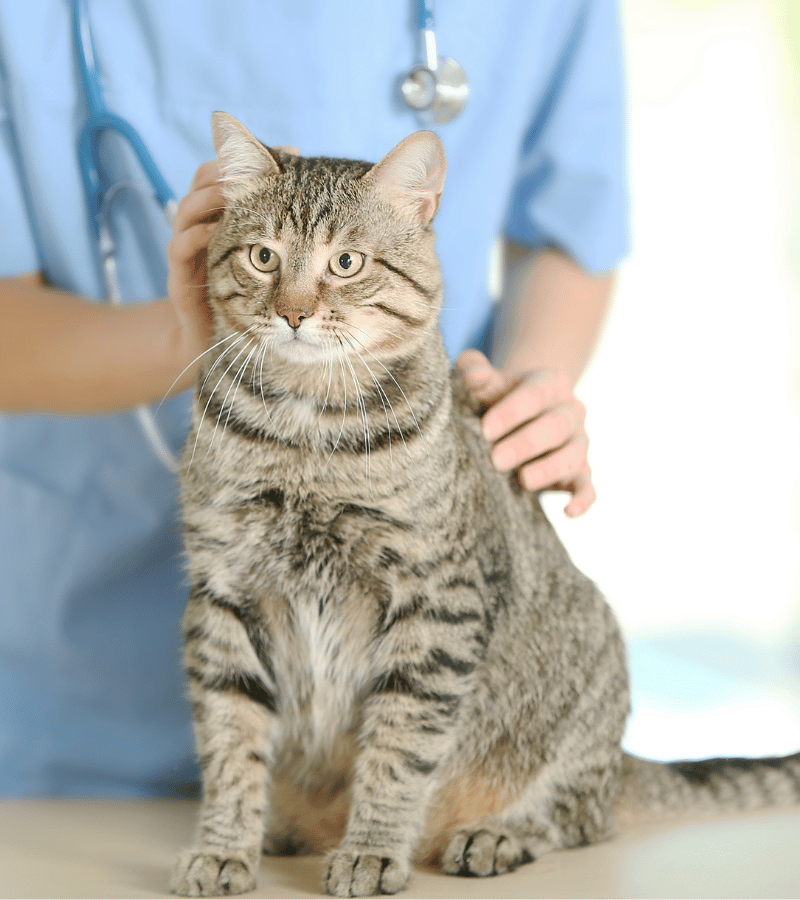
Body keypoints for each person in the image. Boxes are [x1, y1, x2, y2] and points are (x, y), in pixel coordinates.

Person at [0, 0, 628, 796]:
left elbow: (570, 225)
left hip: (420, 707)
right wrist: (186, 338)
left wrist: (526, 393)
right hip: (79, 695)